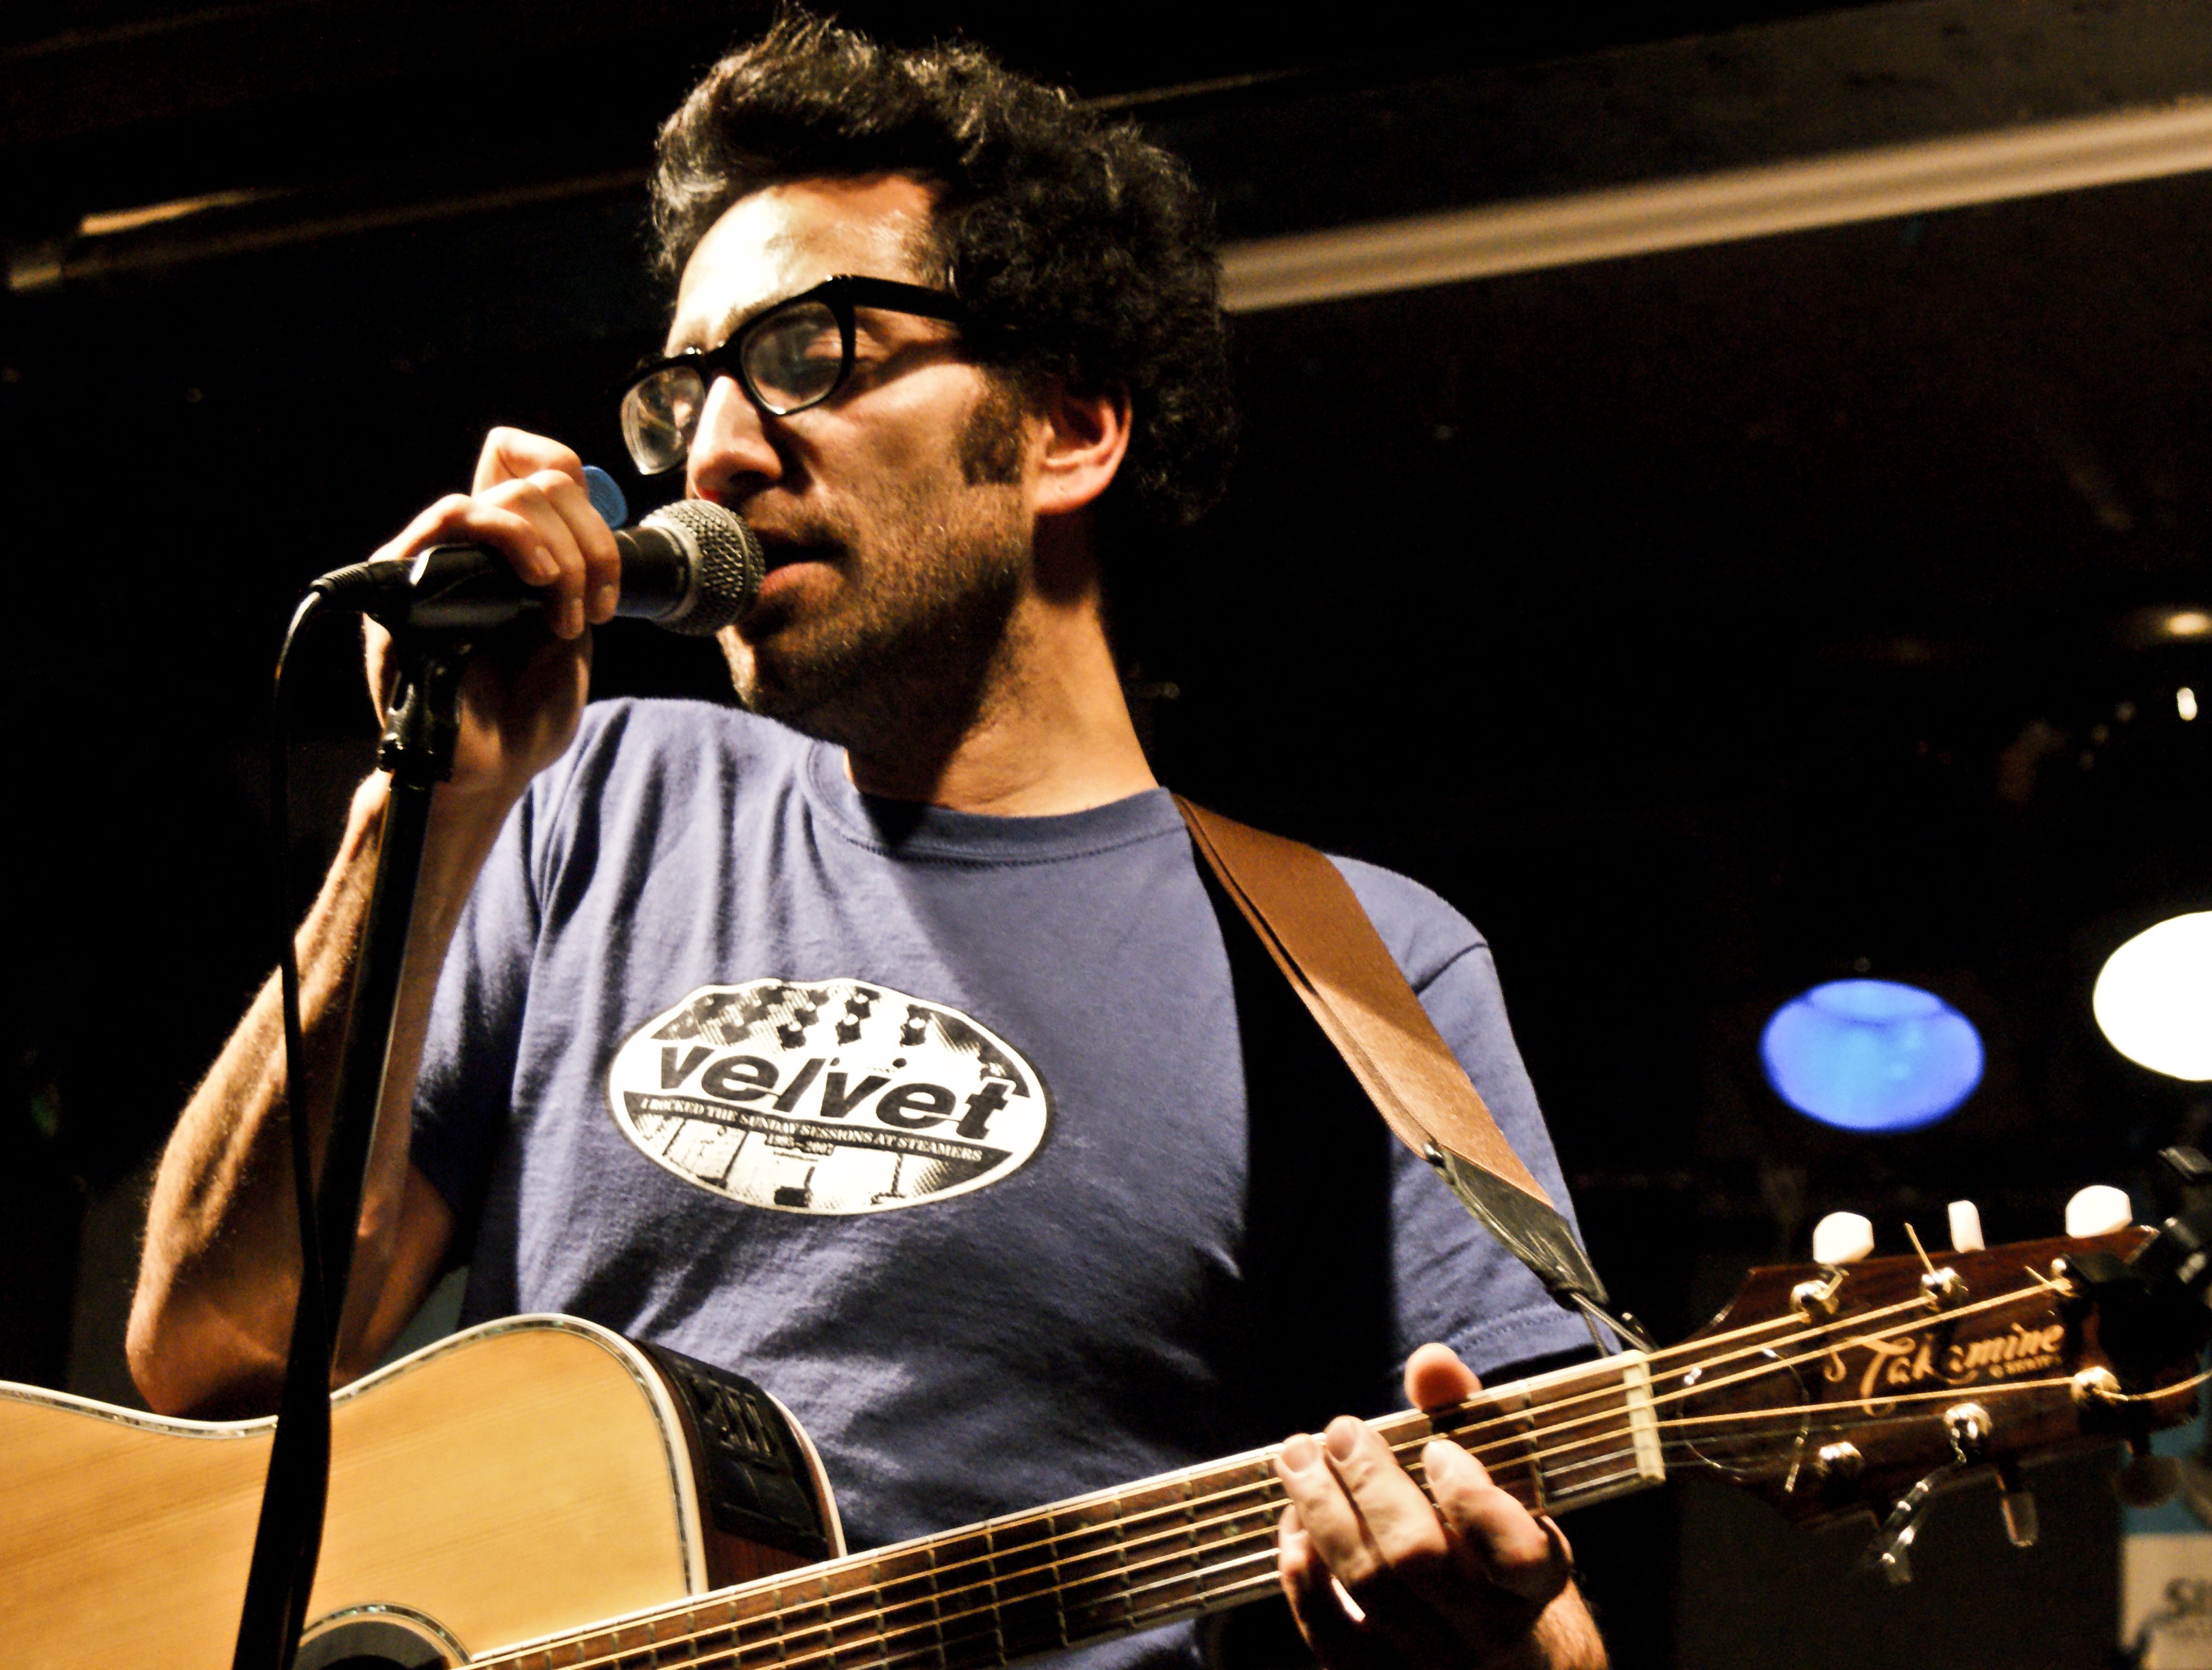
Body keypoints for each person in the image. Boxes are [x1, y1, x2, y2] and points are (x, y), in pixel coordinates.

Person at [127, 19, 1608, 1670]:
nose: (715, 454)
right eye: (688, 392)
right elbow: (214, 1354)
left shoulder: (1363, 963)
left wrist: (1485, 1628)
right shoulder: (586, 803)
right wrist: (427, 801)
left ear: (1067, 431)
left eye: (812, 352)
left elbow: (1544, 1594)